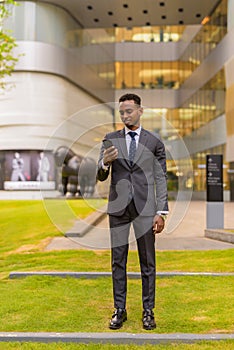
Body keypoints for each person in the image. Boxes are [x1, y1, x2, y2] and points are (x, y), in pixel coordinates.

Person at [97, 93, 169, 330]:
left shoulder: (154, 142)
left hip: (146, 210)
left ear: (140, 111)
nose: (125, 115)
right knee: (118, 260)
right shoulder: (110, 139)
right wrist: (105, 163)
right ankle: (120, 309)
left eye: (129, 111)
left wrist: (161, 211)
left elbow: (160, 178)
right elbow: (101, 175)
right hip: (118, 209)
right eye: (122, 112)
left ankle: (148, 311)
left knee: (147, 262)